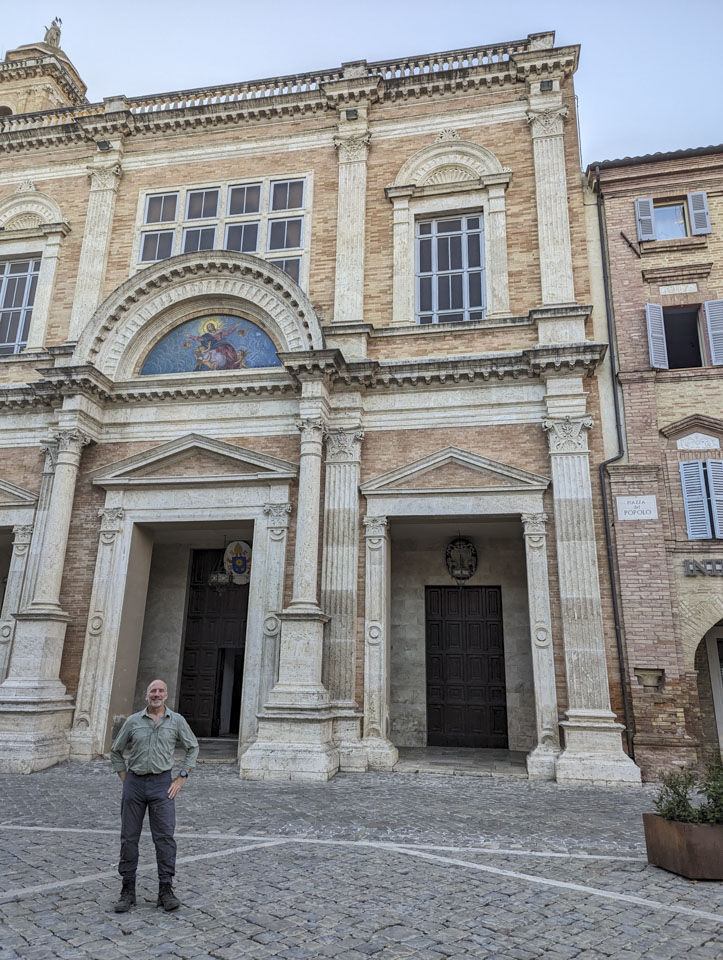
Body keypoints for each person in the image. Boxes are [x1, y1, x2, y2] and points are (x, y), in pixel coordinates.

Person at [109, 679, 199, 913]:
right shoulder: (133, 722)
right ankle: (127, 890)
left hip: (162, 784)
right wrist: (125, 778)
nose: (156, 694)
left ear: (166, 695)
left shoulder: (176, 721)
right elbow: (116, 751)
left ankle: (165, 890)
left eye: (160, 691)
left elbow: (193, 747)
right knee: (129, 838)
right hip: (135, 784)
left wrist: (181, 777)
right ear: (146, 695)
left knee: (165, 838)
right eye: (152, 691)